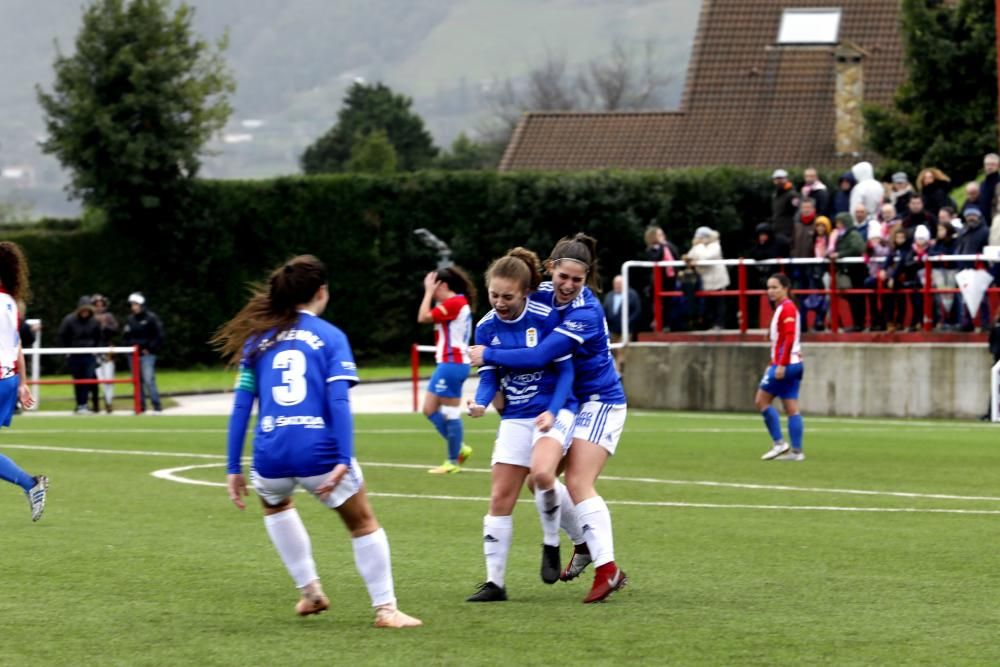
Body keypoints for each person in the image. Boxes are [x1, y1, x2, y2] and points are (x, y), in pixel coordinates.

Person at [212, 254, 421, 628]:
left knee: (275, 505)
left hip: (270, 454)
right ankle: (386, 610)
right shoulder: (331, 337)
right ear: (321, 292)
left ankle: (310, 593)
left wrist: (232, 467)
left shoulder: (257, 341)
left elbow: (241, 407)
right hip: (319, 452)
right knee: (362, 523)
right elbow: (339, 400)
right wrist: (344, 457)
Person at [470, 233, 629, 605]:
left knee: (577, 480)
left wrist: (487, 354)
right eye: (564, 277)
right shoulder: (537, 293)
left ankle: (608, 569)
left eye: (578, 279)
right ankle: (583, 544)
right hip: (567, 401)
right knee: (537, 480)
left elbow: (541, 355)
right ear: (551, 269)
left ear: (587, 277)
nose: (569, 285)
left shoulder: (586, 312)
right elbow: (514, 316)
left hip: (599, 399)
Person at [465, 247, 578, 602]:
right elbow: (488, 378)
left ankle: (550, 542)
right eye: (494, 295)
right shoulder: (485, 326)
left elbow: (565, 371)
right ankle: (494, 583)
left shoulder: (545, 316)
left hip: (553, 409)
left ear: (526, 292)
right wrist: (480, 402)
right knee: (499, 497)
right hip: (515, 414)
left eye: (507, 296)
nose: (499, 302)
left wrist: (554, 410)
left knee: (542, 476)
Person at [0, 241, 47, 520]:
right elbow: (16, 346)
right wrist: (22, 382)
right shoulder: (11, 302)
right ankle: (31, 485)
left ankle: (31, 484)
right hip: (8, 378)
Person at [416, 266, 476, 474]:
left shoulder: (455, 303)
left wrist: (427, 292)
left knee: (450, 413)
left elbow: (423, 317)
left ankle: (452, 461)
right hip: (448, 363)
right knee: (429, 409)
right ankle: (459, 447)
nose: (432, 291)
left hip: (453, 363)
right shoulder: (453, 303)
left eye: (434, 286)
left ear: (442, 285)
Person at [758, 273, 805, 462]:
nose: (771, 291)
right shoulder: (783, 308)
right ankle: (796, 451)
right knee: (791, 406)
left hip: (787, 364)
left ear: (786, 288)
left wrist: (780, 364)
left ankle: (779, 443)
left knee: (761, 401)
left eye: (775, 287)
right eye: (768, 287)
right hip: (795, 363)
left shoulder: (787, 308)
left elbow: (789, 338)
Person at [57, 295, 102, 414]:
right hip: (74, 355)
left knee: (87, 379)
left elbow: (98, 337)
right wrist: (66, 351)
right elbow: (62, 336)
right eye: (83, 310)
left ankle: (85, 404)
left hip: (89, 355)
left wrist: (95, 350)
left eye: (87, 310)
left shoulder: (94, 321)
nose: (85, 312)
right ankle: (80, 405)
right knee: (77, 380)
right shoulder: (69, 320)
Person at [122, 292, 164, 413]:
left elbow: (159, 335)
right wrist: (129, 348)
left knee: (149, 380)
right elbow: (125, 337)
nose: (133, 307)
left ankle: (157, 406)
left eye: (135, 304)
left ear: (141, 304)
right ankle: (140, 407)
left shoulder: (151, 318)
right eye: (132, 305)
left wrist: (150, 348)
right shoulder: (130, 319)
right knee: (136, 381)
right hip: (133, 355)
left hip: (147, 355)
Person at [684, 226, 730, 330]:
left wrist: (698, 247)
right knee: (709, 304)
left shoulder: (715, 245)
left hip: (717, 280)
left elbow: (706, 257)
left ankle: (719, 324)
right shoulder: (698, 246)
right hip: (707, 281)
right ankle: (711, 324)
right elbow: (690, 256)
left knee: (718, 303)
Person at [643, 225, 682, 331]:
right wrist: (661, 246)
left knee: (669, 303)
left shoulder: (668, 246)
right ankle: (657, 323)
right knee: (658, 303)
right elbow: (656, 258)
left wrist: (667, 246)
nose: (662, 236)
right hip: (658, 281)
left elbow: (676, 256)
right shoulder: (651, 249)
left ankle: (667, 325)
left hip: (670, 279)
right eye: (659, 235)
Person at [603, 275, 640, 372]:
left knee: (622, 351)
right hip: (612, 330)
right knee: (613, 351)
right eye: (616, 284)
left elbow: (636, 311)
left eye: (620, 284)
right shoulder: (609, 295)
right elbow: (605, 312)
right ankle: (615, 372)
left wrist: (627, 324)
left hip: (626, 330)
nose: (617, 286)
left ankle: (619, 374)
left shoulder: (632, 294)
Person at [91, 293, 119, 413]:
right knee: (98, 379)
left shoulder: (109, 317)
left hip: (107, 350)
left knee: (108, 378)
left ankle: (109, 401)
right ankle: (96, 403)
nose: (99, 307)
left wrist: (105, 325)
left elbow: (115, 330)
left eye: (101, 305)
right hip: (94, 351)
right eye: (96, 305)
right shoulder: (89, 318)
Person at [770, 169, 798, 240]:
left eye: (781, 178)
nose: (778, 181)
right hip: (776, 228)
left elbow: (796, 212)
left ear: (786, 179)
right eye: (776, 179)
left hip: (788, 230)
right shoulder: (775, 194)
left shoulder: (792, 195)